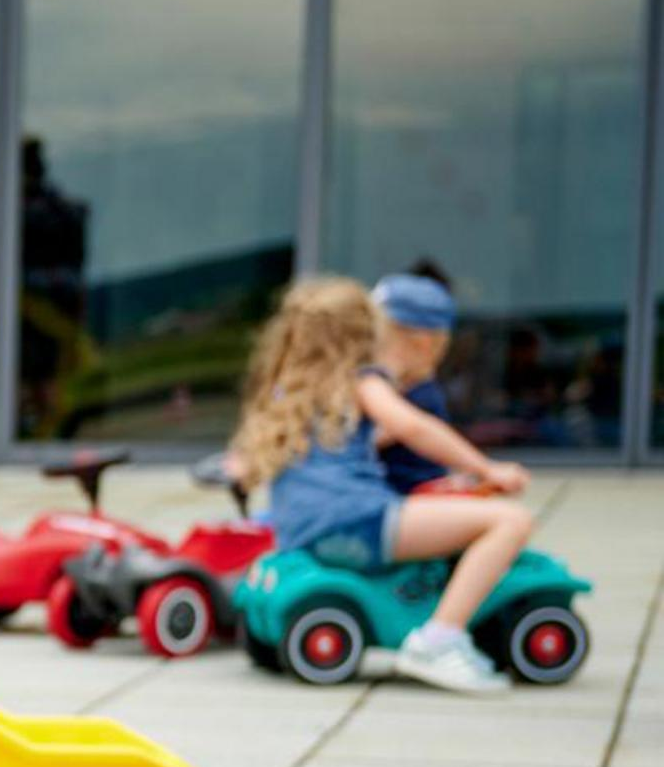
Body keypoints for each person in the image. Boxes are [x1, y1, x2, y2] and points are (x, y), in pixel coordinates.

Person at [228, 275, 535, 696]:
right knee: (510, 522)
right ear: (362, 335)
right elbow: (413, 426)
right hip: (360, 520)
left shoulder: (291, 389)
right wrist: (488, 469)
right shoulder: (364, 381)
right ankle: (440, 640)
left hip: (302, 533)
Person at [369, 266, 462, 497]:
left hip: (406, 501)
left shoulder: (420, 399)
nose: (370, 350)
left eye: (379, 341)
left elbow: (364, 441)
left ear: (422, 344)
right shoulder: (401, 392)